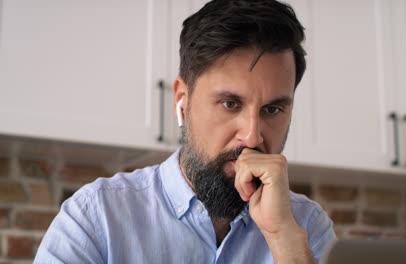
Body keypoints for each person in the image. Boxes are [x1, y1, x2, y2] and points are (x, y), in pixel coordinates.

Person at [35, 0, 336, 263]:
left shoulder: (306, 227)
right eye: (230, 104)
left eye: (272, 110)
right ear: (182, 100)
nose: (253, 136)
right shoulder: (96, 217)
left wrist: (283, 238)